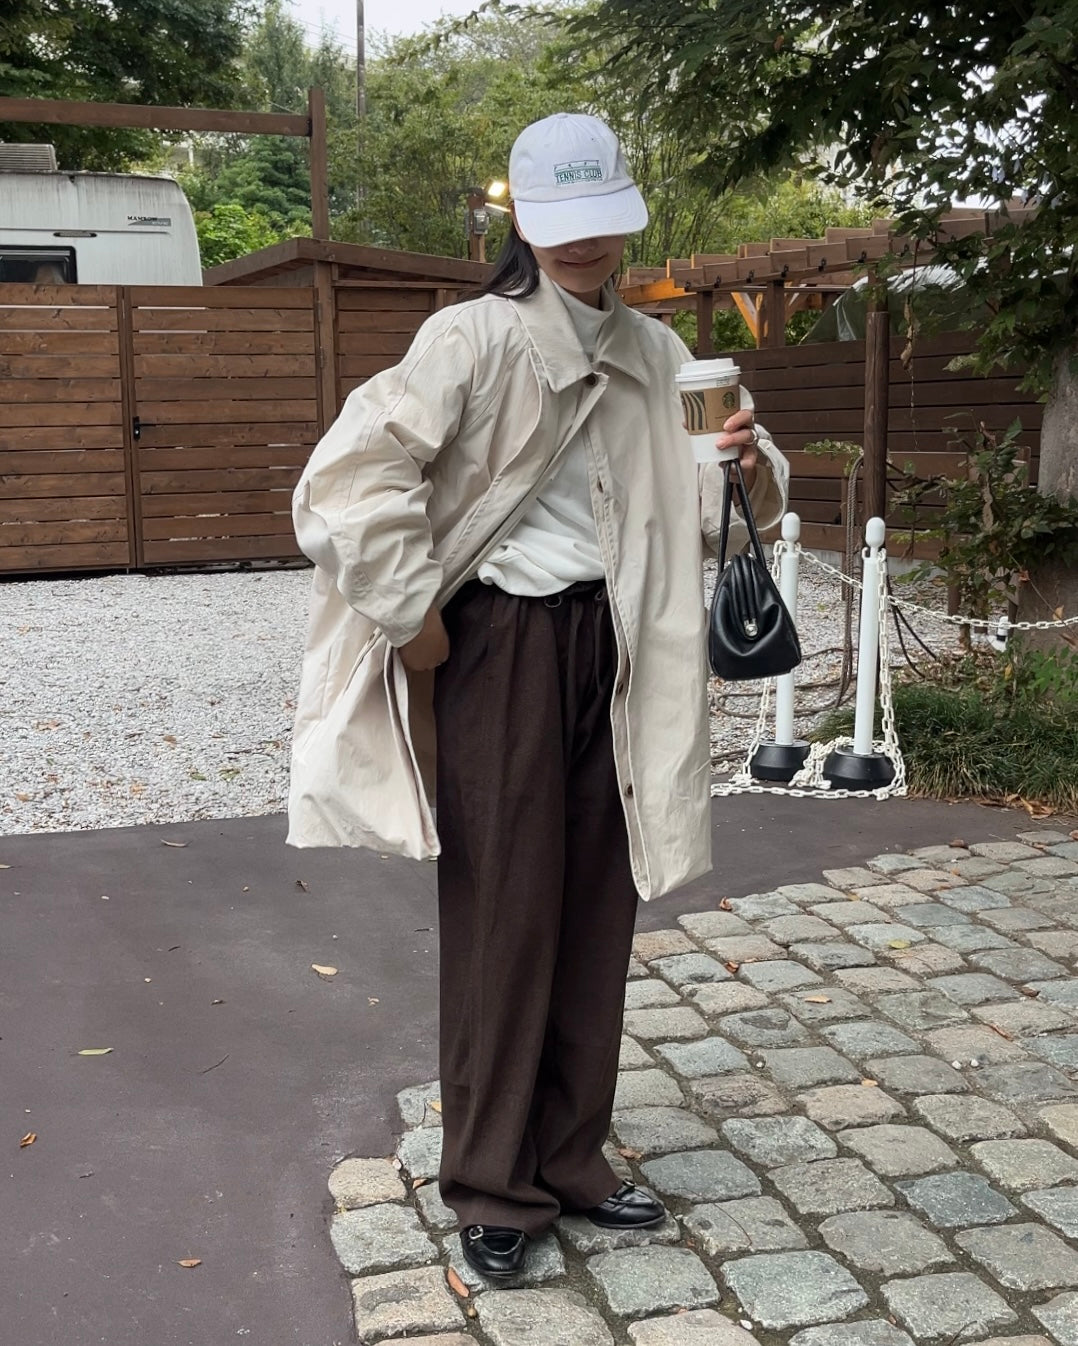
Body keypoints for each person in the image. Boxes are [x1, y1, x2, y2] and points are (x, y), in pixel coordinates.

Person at [288, 112, 789, 1280]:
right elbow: (349, 478)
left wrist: (746, 464)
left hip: (620, 644)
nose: (582, 245)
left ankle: (569, 1154)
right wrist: (414, 617)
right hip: (503, 645)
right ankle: (490, 1178)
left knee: (596, 906)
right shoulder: (469, 339)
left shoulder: (659, 353)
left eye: (599, 220)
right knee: (505, 915)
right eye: (559, 222)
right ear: (522, 221)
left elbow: (723, 524)